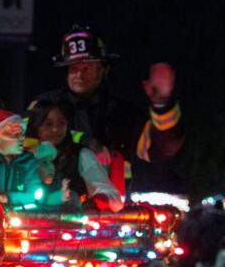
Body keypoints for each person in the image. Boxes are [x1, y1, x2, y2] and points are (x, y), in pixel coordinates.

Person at [32, 25, 183, 189]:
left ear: (105, 69)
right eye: (73, 68)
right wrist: (89, 142)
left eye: (87, 67)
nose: (79, 75)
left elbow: (161, 149)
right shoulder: (44, 106)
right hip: (52, 207)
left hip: (111, 209)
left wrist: (162, 105)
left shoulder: (123, 113)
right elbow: (23, 143)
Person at [24, 99, 123, 212]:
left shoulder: (81, 155)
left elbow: (111, 195)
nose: (55, 129)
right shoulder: (22, 156)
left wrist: (96, 202)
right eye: (48, 124)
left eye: (62, 123)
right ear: (35, 125)